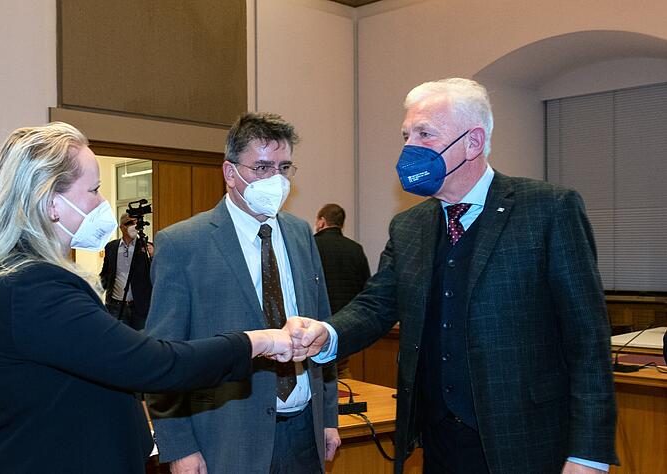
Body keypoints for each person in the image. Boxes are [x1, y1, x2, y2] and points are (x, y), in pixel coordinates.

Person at [288, 78, 618, 474]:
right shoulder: (409, 226)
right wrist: (328, 334)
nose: (410, 148)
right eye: (406, 135)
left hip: (527, 440)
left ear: (473, 142)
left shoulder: (548, 209)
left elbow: (587, 338)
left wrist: (588, 453)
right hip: (439, 440)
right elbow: (377, 304)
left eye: (425, 134)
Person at [0, 122, 302, 473]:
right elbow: (154, 364)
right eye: (94, 190)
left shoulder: (29, 278)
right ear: (52, 202)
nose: (102, 202)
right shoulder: (34, 288)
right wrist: (258, 341)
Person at [145, 112, 340, 474]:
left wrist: (328, 416)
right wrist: (180, 446)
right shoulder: (182, 244)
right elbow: (164, 358)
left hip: (303, 431)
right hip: (227, 438)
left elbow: (321, 325)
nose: (276, 180)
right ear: (230, 172)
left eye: (284, 168)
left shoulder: (300, 233)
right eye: (262, 168)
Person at [313, 203, 370, 379]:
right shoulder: (355, 248)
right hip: (347, 323)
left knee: (317, 374)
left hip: (317, 322)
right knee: (343, 371)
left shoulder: (312, 245)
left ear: (321, 221)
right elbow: (366, 287)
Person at [100, 213, 153, 330]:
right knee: (117, 338)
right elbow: (105, 274)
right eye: (130, 223)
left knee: (140, 337)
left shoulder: (146, 247)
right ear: (122, 227)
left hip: (139, 307)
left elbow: (155, 273)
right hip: (116, 306)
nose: (134, 226)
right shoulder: (111, 247)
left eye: (136, 223)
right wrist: (96, 293)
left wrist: (152, 256)